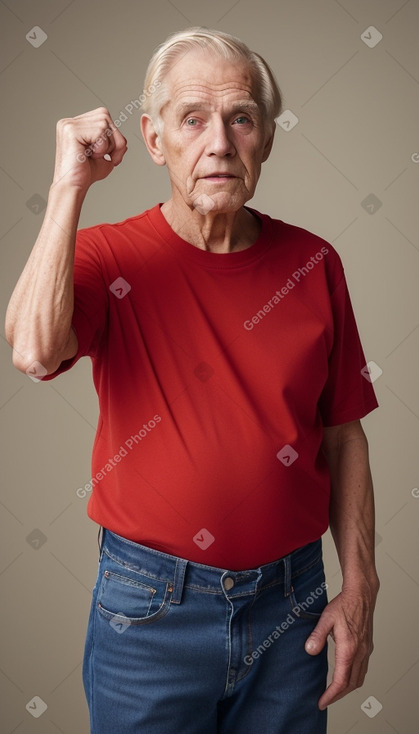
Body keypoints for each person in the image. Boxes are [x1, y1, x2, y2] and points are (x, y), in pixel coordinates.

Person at [5, 27, 380, 734]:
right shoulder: (105, 256)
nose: (218, 142)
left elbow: (343, 434)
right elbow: (31, 349)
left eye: (240, 117)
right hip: (149, 612)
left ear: (266, 137)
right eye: (192, 119)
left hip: (292, 603)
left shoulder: (314, 262)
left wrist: (360, 587)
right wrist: (68, 185)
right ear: (153, 139)